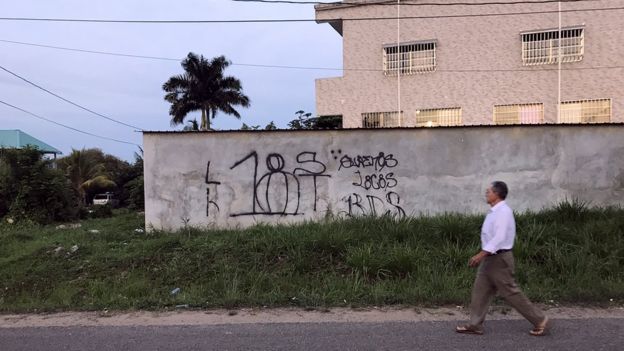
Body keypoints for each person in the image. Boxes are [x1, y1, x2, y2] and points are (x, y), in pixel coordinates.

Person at [456, 181, 549, 336]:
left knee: (510, 292)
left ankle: (540, 320)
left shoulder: (503, 212)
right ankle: (475, 325)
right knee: (480, 291)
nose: (486, 193)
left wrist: (481, 254)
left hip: (500, 259)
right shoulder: (494, 211)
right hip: (490, 259)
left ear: (497, 194)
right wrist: (485, 255)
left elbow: (499, 238)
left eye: (489, 191)